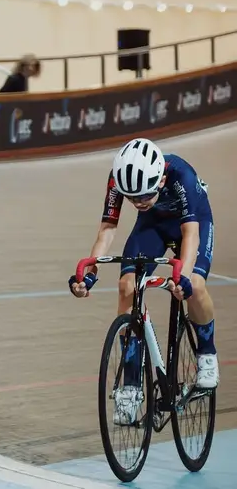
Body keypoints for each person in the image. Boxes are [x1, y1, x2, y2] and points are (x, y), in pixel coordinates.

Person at [71, 138, 219, 423]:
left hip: (192, 223)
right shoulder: (118, 179)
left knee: (194, 287)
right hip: (152, 226)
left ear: (161, 179)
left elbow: (190, 234)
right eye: (132, 198)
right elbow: (107, 228)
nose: (138, 202)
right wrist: (91, 272)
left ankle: (207, 355)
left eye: (144, 196)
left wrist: (184, 277)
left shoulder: (181, 175)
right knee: (127, 285)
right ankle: (130, 385)